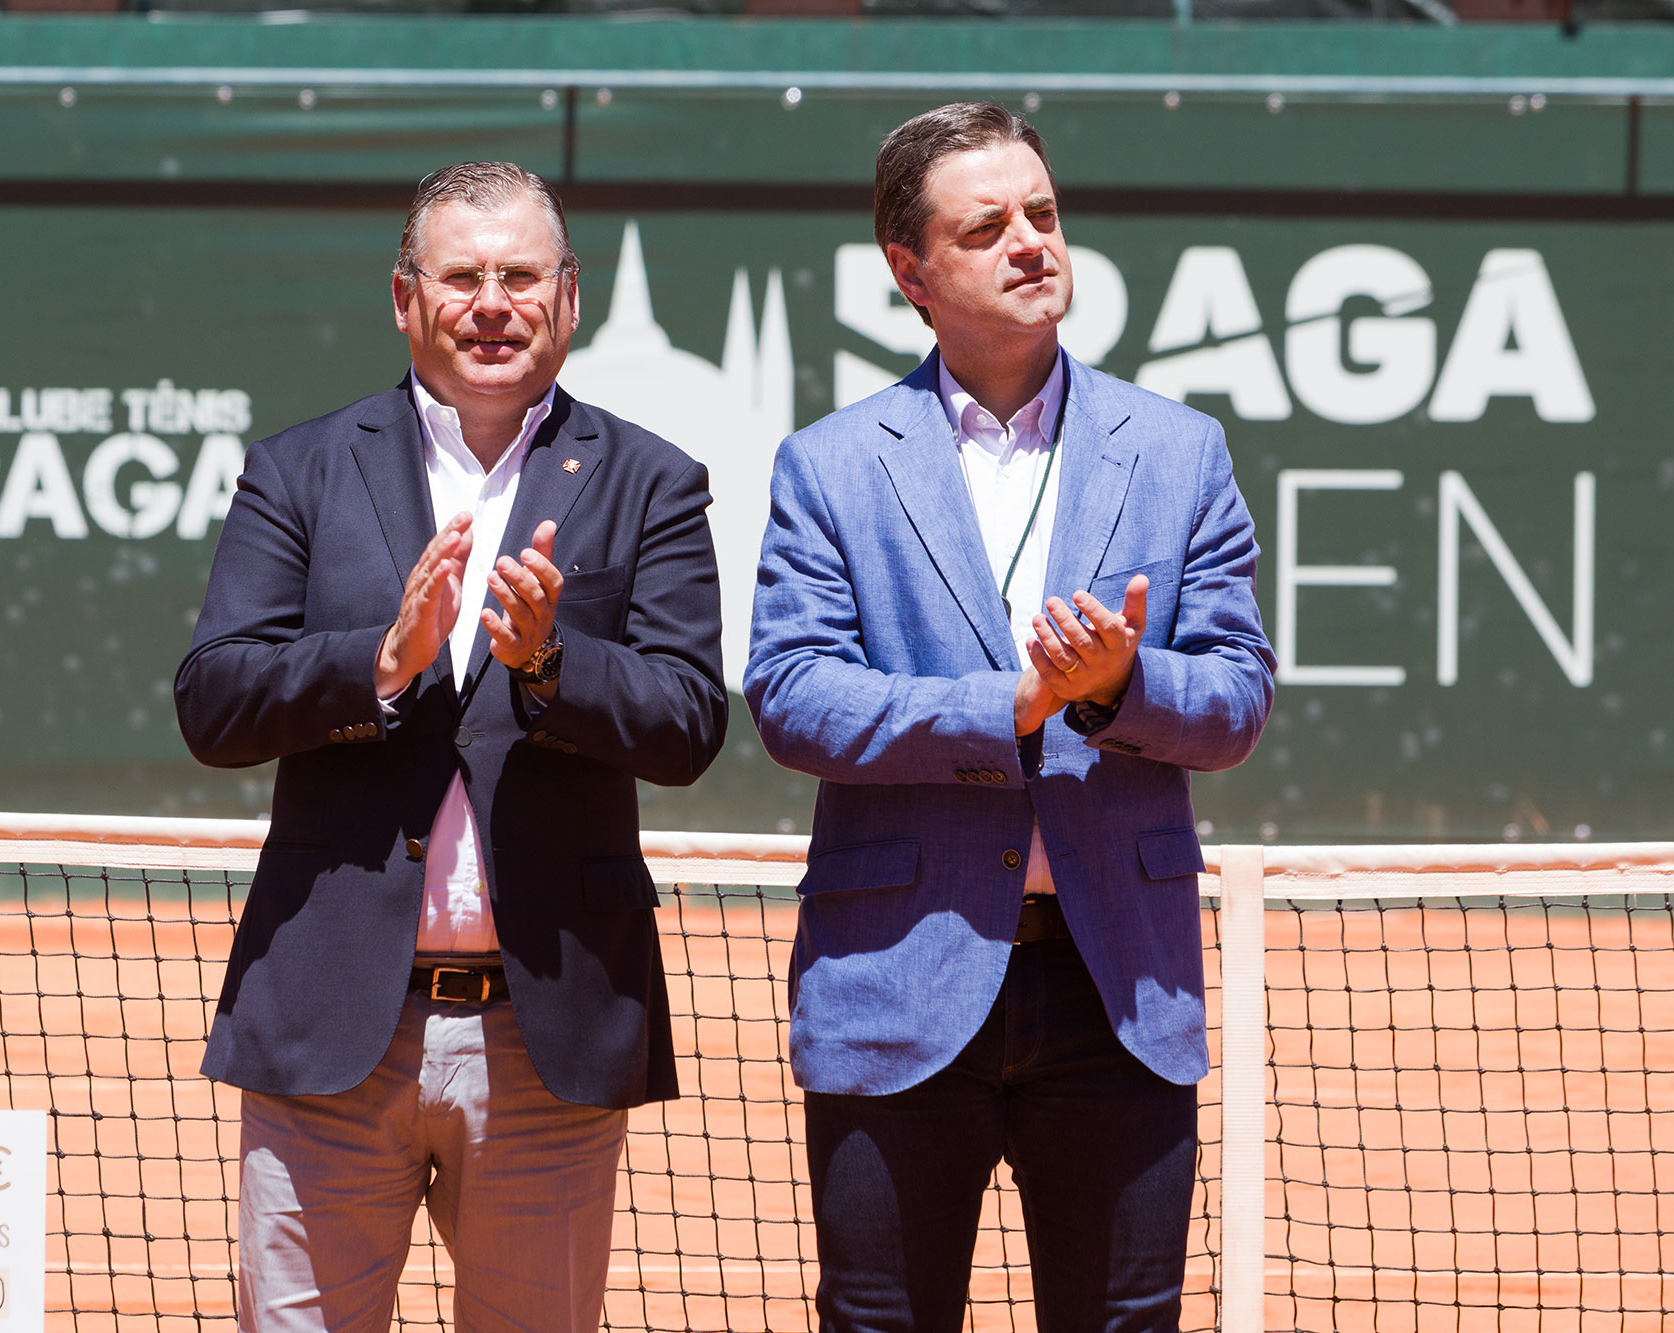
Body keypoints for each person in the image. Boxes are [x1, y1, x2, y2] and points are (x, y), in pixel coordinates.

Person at [744, 103, 1276, 1332]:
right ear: (909, 271)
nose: (1030, 242)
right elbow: (792, 696)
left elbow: (1237, 695)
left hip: (1118, 991)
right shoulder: (829, 464)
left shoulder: (1179, 450)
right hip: (895, 980)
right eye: (984, 227)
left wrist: (1118, 689)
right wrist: (1010, 705)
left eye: (1041, 212)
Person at [175, 161, 726, 1333]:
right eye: (460, 276)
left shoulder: (652, 482)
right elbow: (213, 700)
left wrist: (550, 663)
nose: (491, 304)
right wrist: (376, 661)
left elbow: (687, 722)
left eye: (520, 276)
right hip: (328, 1028)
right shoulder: (298, 468)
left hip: (548, 1034)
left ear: (568, 297)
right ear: (403, 298)